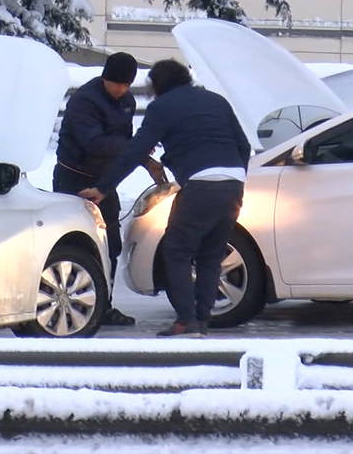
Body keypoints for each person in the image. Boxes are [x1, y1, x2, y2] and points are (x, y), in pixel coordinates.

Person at [80, 59, 251, 338]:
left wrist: (104, 187)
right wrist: (235, 178)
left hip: (200, 185)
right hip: (233, 184)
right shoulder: (215, 100)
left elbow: (135, 151)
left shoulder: (162, 107)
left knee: (176, 250)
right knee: (210, 254)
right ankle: (203, 320)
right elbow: (242, 145)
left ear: (158, 86)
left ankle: (186, 320)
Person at [54, 51, 164, 326]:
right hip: (74, 180)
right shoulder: (84, 101)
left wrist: (140, 155)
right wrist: (135, 149)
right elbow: (95, 143)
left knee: (109, 244)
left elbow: (122, 143)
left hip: (104, 182)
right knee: (74, 242)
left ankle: (103, 305)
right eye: (117, 84)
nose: (122, 90)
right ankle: (68, 301)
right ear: (105, 78)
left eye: (126, 85)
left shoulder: (125, 100)